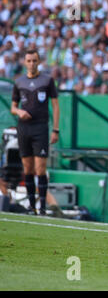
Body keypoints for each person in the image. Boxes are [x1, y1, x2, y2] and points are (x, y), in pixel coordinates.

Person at [10, 49, 60, 216]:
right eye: (29, 61)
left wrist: (55, 129)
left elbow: (55, 105)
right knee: (28, 169)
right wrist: (19, 112)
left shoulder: (47, 80)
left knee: (40, 169)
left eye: (34, 61)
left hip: (41, 128)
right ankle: (32, 208)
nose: (31, 64)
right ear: (25, 62)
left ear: (39, 62)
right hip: (24, 128)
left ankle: (43, 208)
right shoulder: (19, 82)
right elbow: (13, 107)